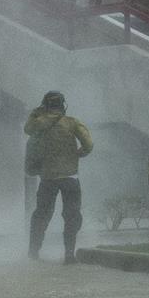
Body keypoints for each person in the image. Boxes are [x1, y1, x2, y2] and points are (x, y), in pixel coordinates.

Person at [25, 91, 93, 263]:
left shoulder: (38, 123)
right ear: (63, 105)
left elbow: (27, 129)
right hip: (70, 178)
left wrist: (36, 112)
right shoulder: (72, 122)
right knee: (71, 215)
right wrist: (79, 154)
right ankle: (69, 254)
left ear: (45, 105)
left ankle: (33, 253)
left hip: (48, 178)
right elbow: (89, 144)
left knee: (41, 215)